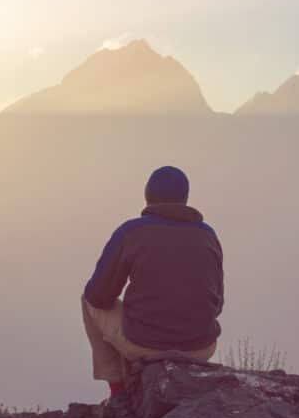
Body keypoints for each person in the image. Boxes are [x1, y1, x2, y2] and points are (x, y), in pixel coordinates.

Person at [82, 165, 224, 399]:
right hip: (201, 348)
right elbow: (217, 305)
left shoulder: (131, 232)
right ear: (185, 199)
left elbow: (98, 295)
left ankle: (118, 393)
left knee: (87, 301)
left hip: (145, 344)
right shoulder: (208, 235)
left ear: (147, 196)